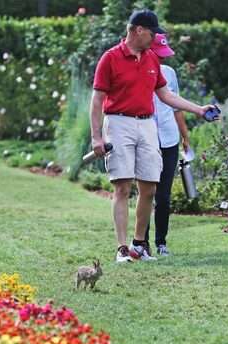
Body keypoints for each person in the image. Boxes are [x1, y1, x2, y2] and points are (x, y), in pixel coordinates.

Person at [90, 9, 218, 263]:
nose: (154, 39)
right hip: (119, 123)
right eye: (152, 33)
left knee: (149, 186)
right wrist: (96, 137)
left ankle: (140, 245)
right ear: (139, 30)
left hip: (148, 125)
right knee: (123, 186)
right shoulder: (110, 58)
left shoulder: (151, 59)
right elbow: (97, 99)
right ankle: (122, 248)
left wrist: (198, 109)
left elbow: (166, 95)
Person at [144, 33, 189, 256]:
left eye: (164, 55)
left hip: (169, 139)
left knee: (163, 196)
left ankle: (161, 243)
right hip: (146, 138)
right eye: (158, 55)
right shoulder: (139, 70)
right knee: (146, 193)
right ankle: (141, 243)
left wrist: (185, 136)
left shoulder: (169, 73)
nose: (161, 59)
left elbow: (176, 106)